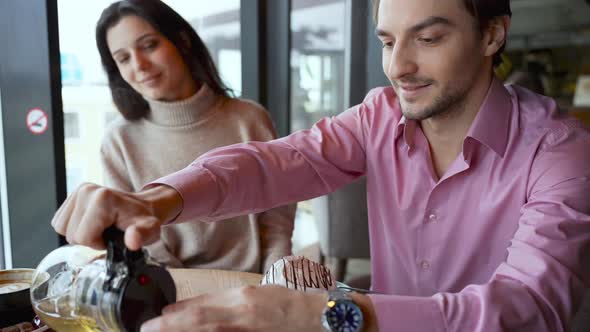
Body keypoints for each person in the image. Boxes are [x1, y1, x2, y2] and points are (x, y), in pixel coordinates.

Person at [52, 0, 590, 331]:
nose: (398, 66)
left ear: (492, 33)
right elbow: (276, 162)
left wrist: (321, 316)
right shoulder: (378, 116)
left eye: (428, 38)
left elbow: (528, 310)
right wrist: (157, 199)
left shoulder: (560, 150)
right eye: (387, 40)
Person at [93, 0, 295, 273]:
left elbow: (277, 217)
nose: (139, 65)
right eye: (123, 58)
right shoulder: (119, 140)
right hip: (168, 289)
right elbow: (136, 239)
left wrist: (275, 279)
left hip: (254, 285)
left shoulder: (249, 119)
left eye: (149, 45)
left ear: (182, 41)